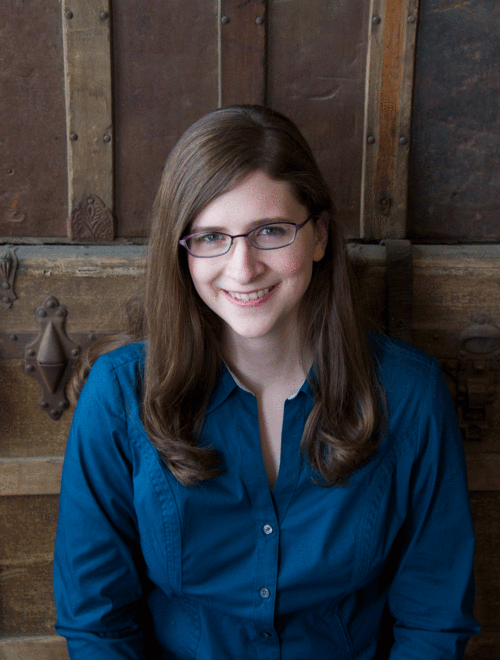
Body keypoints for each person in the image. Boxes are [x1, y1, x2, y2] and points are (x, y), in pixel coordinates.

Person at [53, 105, 479, 659]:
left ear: (320, 236)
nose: (243, 267)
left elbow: (434, 620)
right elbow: (97, 622)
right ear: (182, 253)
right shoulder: (117, 396)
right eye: (211, 237)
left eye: (271, 231)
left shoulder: (410, 394)